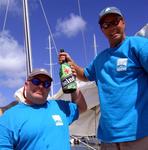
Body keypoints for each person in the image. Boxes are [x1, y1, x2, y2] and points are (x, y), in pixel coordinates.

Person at [59, 6, 148, 150]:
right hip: (107, 138)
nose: (111, 27)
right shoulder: (100, 59)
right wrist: (71, 63)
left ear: (123, 22)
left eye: (115, 22)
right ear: (102, 29)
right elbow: (85, 75)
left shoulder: (138, 46)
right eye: (106, 25)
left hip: (139, 135)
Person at [0, 68, 87, 150]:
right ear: (26, 85)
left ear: (49, 88)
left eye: (46, 83)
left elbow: (82, 107)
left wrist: (72, 83)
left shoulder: (60, 107)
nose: (41, 86)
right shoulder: (9, 117)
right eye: (36, 81)